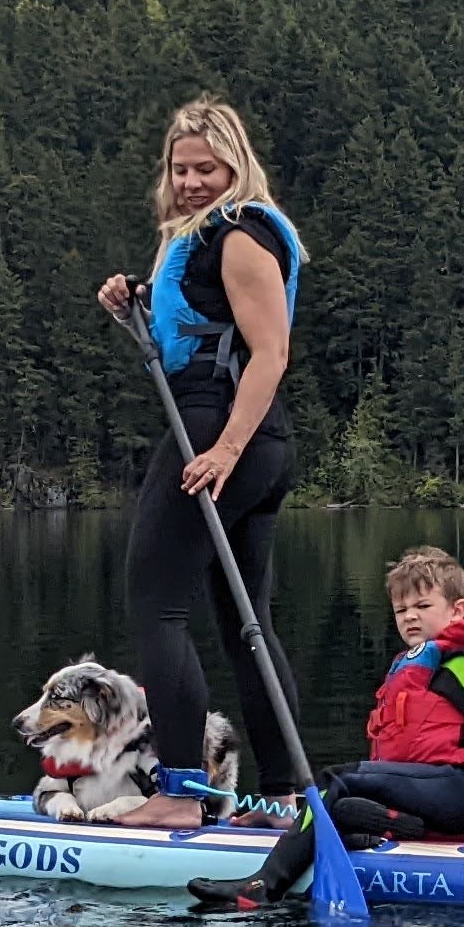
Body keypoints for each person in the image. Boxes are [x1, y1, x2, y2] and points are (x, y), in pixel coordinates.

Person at [94, 98, 304, 824]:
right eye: (181, 169)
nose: (190, 182)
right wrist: (133, 307)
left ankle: (179, 795)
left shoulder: (241, 237)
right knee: (245, 620)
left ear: (235, 166)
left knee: (157, 603)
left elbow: (270, 352)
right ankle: (280, 798)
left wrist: (224, 451)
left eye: (205, 169)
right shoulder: (199, 242)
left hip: (224, 432)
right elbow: (194, 334)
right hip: (243, 437)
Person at [195, 544, 464, 911]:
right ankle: (360, 836)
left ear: (457, 611)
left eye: (423, 607)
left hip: (456, 792)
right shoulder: (412, 666)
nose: (410, 617)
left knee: (335, 779)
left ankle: (264, 885)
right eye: (401, 610)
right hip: (424, 803)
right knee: (342, 807)